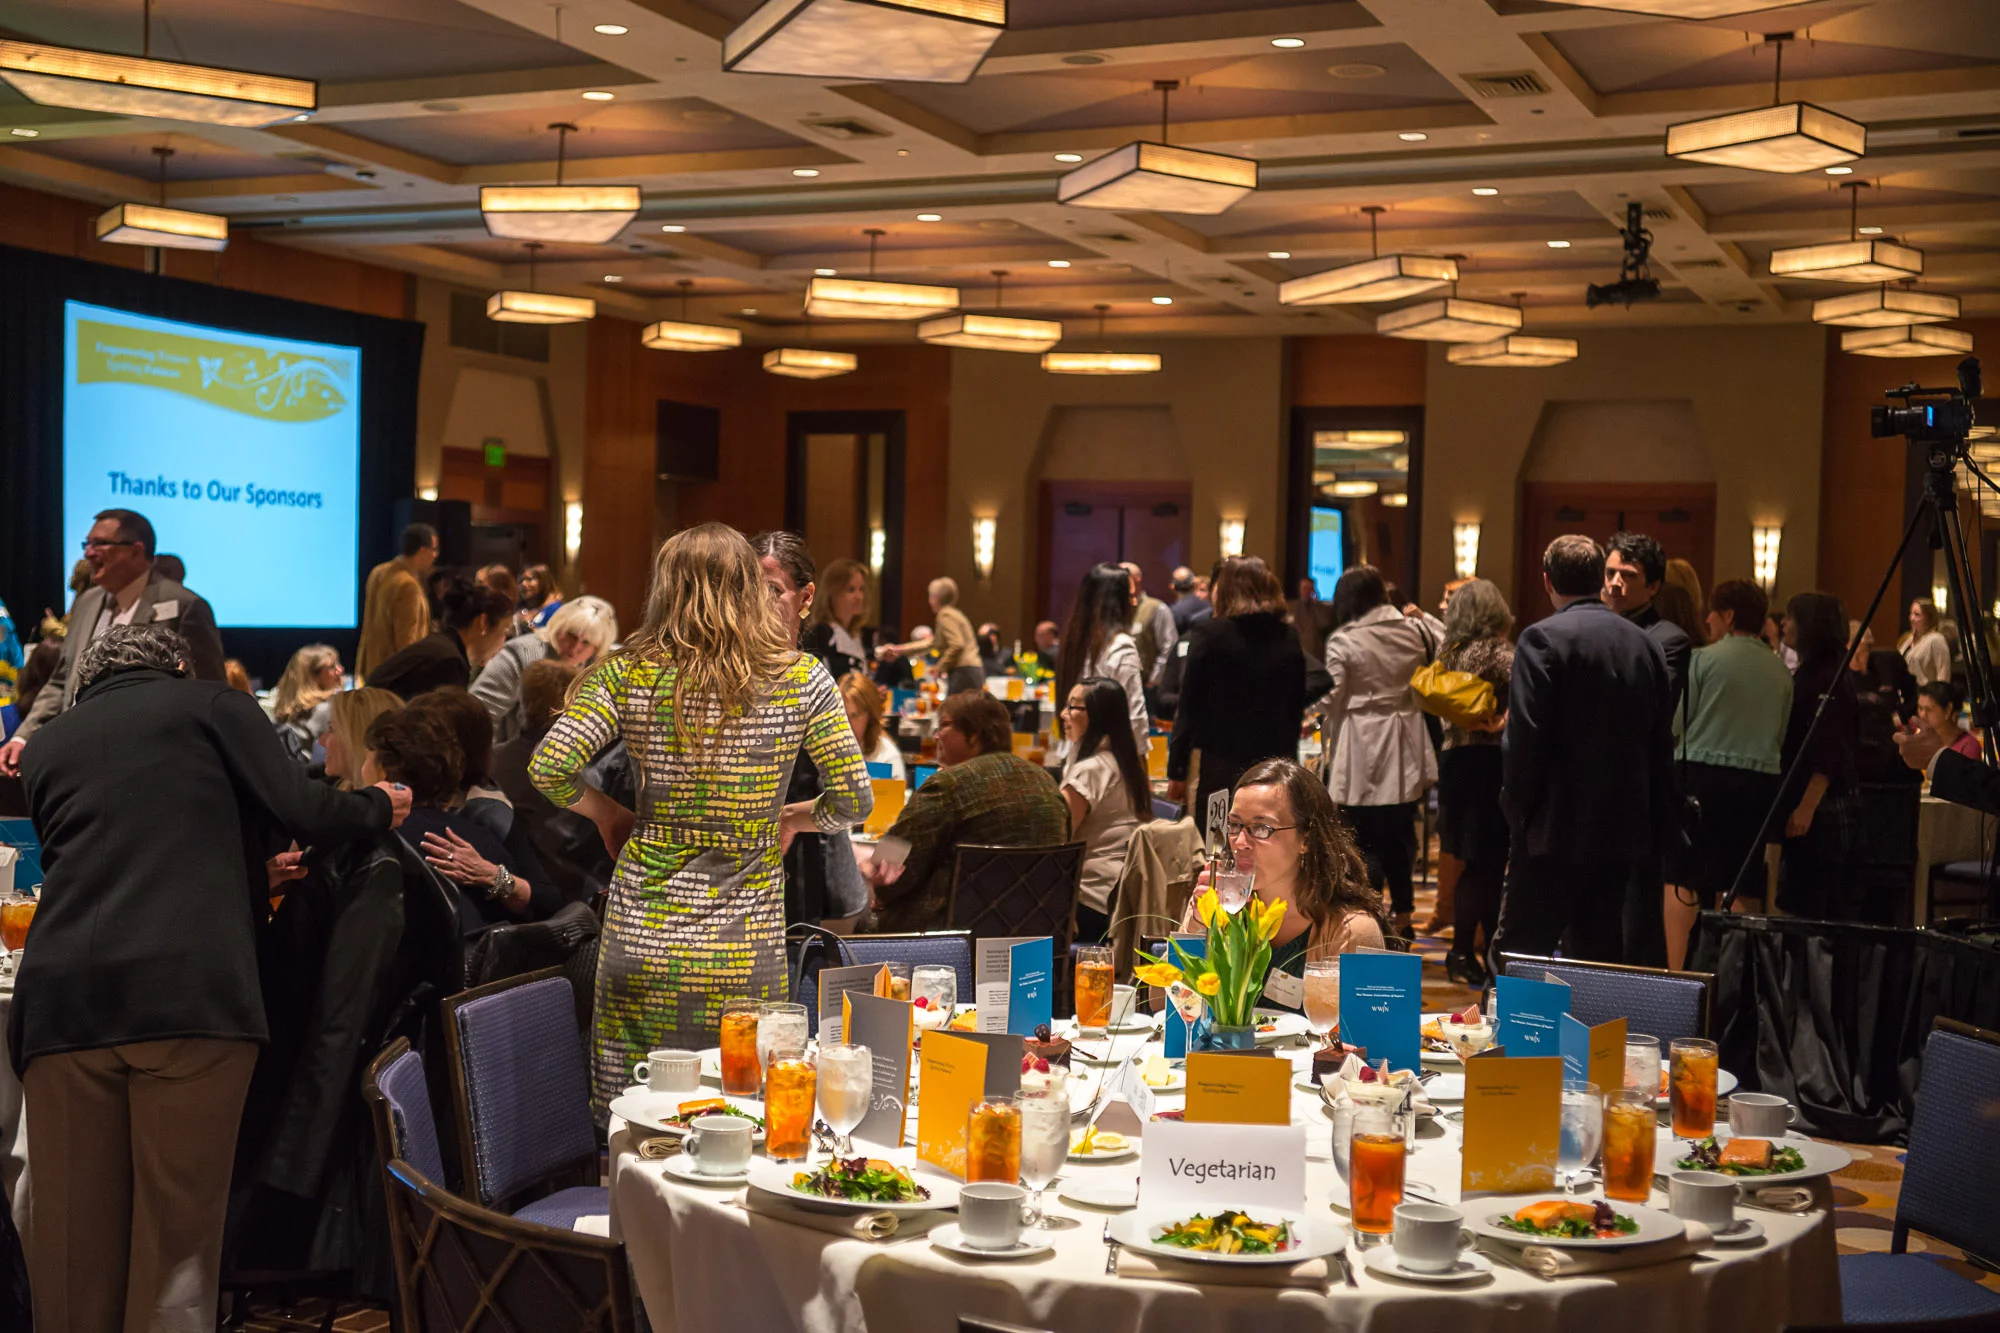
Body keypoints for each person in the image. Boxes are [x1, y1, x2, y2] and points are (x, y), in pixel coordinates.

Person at [14, 624, 408, 1333]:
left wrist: (242, 875)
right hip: (190, 996)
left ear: (88, 680)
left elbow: (110, 858)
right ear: (176, 664)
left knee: (72, 1248)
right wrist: (379, 803)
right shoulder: (211, 704)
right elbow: (303, 807)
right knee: (176, 1244)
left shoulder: (45, 745)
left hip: (61, 1003)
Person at [531, 524, 868, 1111]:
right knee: (739, 1114)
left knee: (633, 1119)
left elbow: (549, 767)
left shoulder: (627, 671)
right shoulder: (799, 677)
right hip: (744, 952)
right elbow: (853, 801)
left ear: (664, 587)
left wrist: (609, 815)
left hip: (642, 941)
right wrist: (790, 818)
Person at [1492, 536, 1678, 965]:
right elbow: (1659, 743)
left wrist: (1517, 814)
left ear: (1547, 581)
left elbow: (1525, 741)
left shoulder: (1541, 638)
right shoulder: (1644, 643)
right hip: (1620, 831)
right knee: (1597, 959)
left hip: (1551, 831)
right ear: (1599, 579)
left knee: (1521, 957)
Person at [0, 508, 227, 778]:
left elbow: (209, 693)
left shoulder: (184, 606)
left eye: (99, 544)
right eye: (87, 544)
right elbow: (61, 681)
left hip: (146, 766)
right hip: (76, 758)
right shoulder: (86, 602)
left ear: (136, 550)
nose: (88, 553)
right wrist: (23, 737)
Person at [862, 691, 1065, 933]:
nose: (936, 735)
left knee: (856, 919)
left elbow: (888, 870)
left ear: (976, 734)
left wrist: (878, 891)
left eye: (944, 725)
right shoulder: (1048, 785)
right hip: (1037, 934)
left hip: (948, 939)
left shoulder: (948, 784)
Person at [1315, 564, 1442, 938]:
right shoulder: (1415, 630)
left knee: (1359, 836)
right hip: (1404, 740)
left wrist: (1307, 708)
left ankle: (1366, 919)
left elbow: (1331, 696)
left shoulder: (1344, 639)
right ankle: (1403, 917)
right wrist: (1424, 616)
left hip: (1358, 742)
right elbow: (1446, 643)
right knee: (1399, 834)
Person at [1177, 758, 1387, 981]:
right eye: (1234, 825)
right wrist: (1198, 926)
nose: (1240, 842)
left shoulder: (1351, 931)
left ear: (1306, 839)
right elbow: (1163, 995)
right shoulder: (1218, 902)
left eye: (1261, 828)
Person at [1670, 579, 1792, 959]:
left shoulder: (1703, 660)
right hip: (1759, 783)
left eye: (1712, 612)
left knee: (1685, 878)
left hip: (1701, 779)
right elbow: (1780, 735)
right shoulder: (1780, 672)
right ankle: (1736, 968)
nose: (1707, 619)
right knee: (1742, 878)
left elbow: (1677, 726)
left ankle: (1681, 970)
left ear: (1728, 615)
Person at [368, 701, 551, 935]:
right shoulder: (476, 833)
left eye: (367, 758)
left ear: (383, 771)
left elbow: (549, 903)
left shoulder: (488, 813)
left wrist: (495, 877)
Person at [1165, 556, 1306, 838]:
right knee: (1267, 844)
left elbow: (1188, 708)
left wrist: (1177, 771)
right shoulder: (1289, 637)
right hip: (1273, 769)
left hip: (1221, 766)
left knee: (1217, 846)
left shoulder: (1208, 635)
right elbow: (1295, 710)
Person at [1601, 532, 1692, 967]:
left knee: (1636, 922)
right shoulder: (1590, 626)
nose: (1615, 583)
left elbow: (1645, 709)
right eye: (1610, 572)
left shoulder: (1669, 638)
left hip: (1637, 795)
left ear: (1653, 586)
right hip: (1588, 794)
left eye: (1628, 575)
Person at [1434, 579, 1512, 988]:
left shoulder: (1447, 651)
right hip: (1488, 762)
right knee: (1490, 864)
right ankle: (1474, 952)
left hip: (1454, 761)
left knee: (1471, 861)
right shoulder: (1499, 654)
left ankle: (1465, 950)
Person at [1777, 592, 1864, 920]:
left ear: (1809, 625)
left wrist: (1806, 807)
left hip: (1822, 810)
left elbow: (1830, 749)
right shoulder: (1818, 672)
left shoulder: (1826, 678)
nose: (1783, 623)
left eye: (1790, 617)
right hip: (1818, 806)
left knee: (1813, 909)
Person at [1061, 677, 1153, 942]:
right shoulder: (1128, 765)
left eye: (1074, 707)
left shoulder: (1091, 771)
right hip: (1120, 898)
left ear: (1098, 716)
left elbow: (1056, 838)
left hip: (1089, 901)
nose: (1064, 714)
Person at [470, 594, 619, 743]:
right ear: (557, 627)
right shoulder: (522, 653)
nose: (575, 647)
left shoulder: (600, 669)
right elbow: (478, 713)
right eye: (571, 635)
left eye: (586, 642)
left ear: (597, 648)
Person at [365, 575, 513, 700]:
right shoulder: (448, 661)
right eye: (504, 632)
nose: (503, 644)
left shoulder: (441, 646)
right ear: (483, 623)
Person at [1056, 563, 1148, 749]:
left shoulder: (1073, 642)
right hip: (1107, 752)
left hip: (1071, 749)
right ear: (1115, 602)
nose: (1134, 603)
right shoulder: (1121, 646)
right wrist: (1139, 761)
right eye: (1130, 596)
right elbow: (1135, 715)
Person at [356, 523, 438, 682]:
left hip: (371, 672)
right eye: (433, 549)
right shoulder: (408, 585)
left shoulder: (378, 572)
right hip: (395, 680)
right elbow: (407, 644)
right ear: (422, 551)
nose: (435, 555)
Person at [884, 578, 983, 694]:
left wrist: (939, 668)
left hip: (964, 672)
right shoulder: (955, 614)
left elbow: (957, 645)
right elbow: (933, 643)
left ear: (936, 598)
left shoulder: (945, 615)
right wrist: (899, 650)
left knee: (955, 706)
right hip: (972, 670)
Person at [802, 558, 871, 684]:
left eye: (861, 589)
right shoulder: (820, 634)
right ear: (832, 594)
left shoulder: (855, 635)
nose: (859, 596)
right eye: (851, 590)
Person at [271, 643, 345, 759]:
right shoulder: (328, 708)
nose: (340, 670)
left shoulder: (279, 708)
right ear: (311, 677)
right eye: (332, 667)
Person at [1119, 560, 1179, 695]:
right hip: (1119, 685)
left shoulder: (1156, 608)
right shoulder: (1115, 609)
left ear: (1136, 580)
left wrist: (1154, 680)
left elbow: (1169, 646)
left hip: (1146, 686)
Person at [840, 671, 906, 781]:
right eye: (842, 716)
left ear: (870, 716)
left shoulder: (888, 757)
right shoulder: (826, 753)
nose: (847, 724)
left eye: (854, 715)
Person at [1916, 680, 1981, 760]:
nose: (1922, 715)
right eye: (1920, 708)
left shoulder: (1968, 747)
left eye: (1928, 709)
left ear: (1948, 710)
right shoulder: (1921, 742)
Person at [1900, 598, 1952, 687]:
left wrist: (1939, 694)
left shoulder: (1936, 640)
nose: (1911, 618)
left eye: (1916, 614)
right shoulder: (1908, 640)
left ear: (1928, 618)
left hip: (1924, 692)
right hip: (1906, 692)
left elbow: (1944, 674)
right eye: (1911, 613)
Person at [520, 563, 563, 630]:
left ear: (544, 581)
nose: (523, 584)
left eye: (529, 579)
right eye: (522, 580)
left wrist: (526, 623)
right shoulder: (526, 606)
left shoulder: (554, 608)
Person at [1169, 565, 1212, 632]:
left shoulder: (1173, 611)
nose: (1199, 594)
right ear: (1194, 583)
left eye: (1203, 590)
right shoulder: (1212, 606)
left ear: (1172, 587)